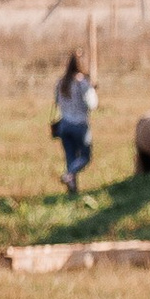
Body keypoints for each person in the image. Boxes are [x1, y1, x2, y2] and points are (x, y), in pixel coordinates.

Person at [52, 51, 97, 197]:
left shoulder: (61, 82)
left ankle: (73, 191)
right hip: (80, 125)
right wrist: (93, 90)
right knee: (85, 156)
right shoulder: (82, 83)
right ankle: (69, 174)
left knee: (70, 157)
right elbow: (92, 104)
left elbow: (57, 102)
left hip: (64, 124)